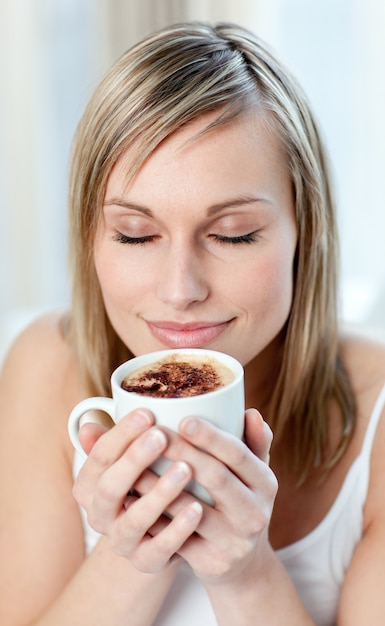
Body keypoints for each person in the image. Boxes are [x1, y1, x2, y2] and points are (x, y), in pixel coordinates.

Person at [1, 21, 385, 626]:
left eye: (233, 235)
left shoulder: (378, 416)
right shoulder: (44, 367)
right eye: (135, 234)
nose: (180, 291)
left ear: (302, 234)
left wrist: (247, 574)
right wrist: (131, 555)